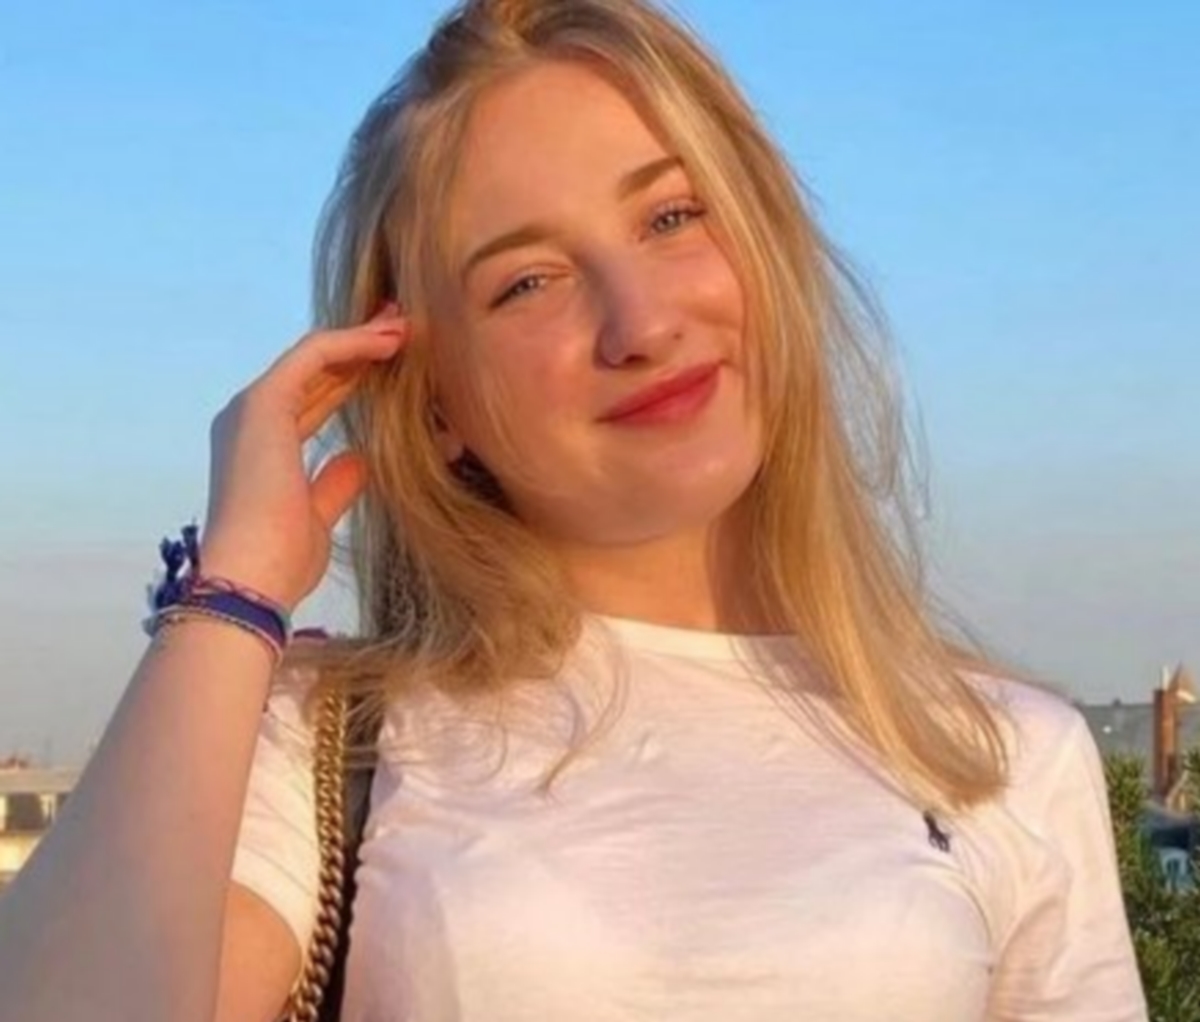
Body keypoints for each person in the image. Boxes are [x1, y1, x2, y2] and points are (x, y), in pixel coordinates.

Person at [0, 0, 1149, 1019]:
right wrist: (236, 586)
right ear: (435, 399)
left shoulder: (1003, 752)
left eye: (672, 217)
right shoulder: (324, 735)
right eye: (527, 282)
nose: (640, 321)